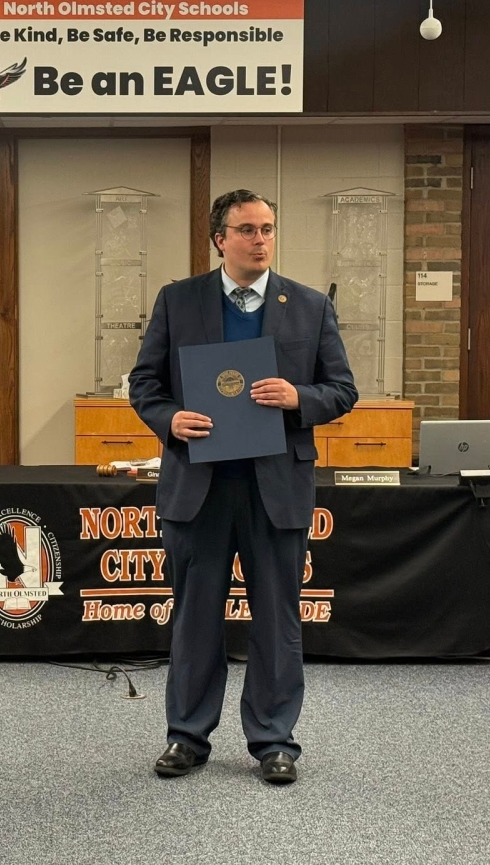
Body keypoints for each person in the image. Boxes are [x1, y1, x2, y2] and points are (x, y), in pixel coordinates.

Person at [129, 188, 357, 785]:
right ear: (219, 238)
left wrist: (297, 398)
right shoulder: (178, 302)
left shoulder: (308, 306)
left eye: (268, 228)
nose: (261, 239)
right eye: (248, 229)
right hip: (198, 487)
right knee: (194, 617)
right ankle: (186, 737)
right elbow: (145, 385)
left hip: (274, 490)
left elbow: (342, 390)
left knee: (277, 619)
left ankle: (274, 740)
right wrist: (169, 420)